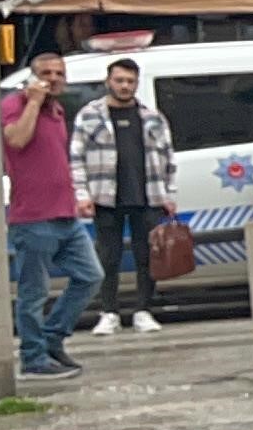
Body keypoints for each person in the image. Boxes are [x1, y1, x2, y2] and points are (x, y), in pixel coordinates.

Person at [2, 52, 100, 380]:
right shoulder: (14, 105)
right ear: (32, 77)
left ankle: (52, 339)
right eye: (46, 73)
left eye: (59, 73)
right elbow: (16, 140)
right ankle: (33, 358)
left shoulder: (57, 111)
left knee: (90, 276)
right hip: (33, 217)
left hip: (65, 214)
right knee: (34, 293)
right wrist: (33, 101)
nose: (54, 79)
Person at [72, 56, 178, 334]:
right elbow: (76, 157)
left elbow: (169, 157)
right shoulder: (89, 115)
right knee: (108, 258)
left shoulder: (153, 118)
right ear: (108, 81)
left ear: (137, 83)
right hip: (105, 197)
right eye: (119, 80)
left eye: (130, 81)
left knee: (148, 257)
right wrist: (82, 194)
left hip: (148, 196)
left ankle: (143, 310)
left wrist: (169, 194)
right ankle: (109, 313)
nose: (124, 86)